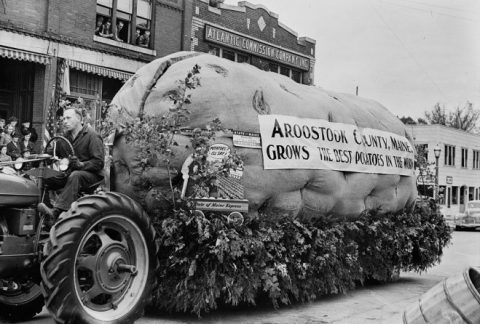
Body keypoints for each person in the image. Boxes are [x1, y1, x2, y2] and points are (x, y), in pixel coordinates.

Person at [38, 108, 105, 219]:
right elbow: (51, 153)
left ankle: (56, 212)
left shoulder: (92, 135)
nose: (64, 121)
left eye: (68, 118)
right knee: (45, 176)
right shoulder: (64, 138)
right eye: (64, 118)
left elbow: (98, 162)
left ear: (79, 119)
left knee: (76, 175)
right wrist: (37, 157)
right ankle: (44, 213)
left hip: (91, 176)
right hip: (70, 174)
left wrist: (82, 165)